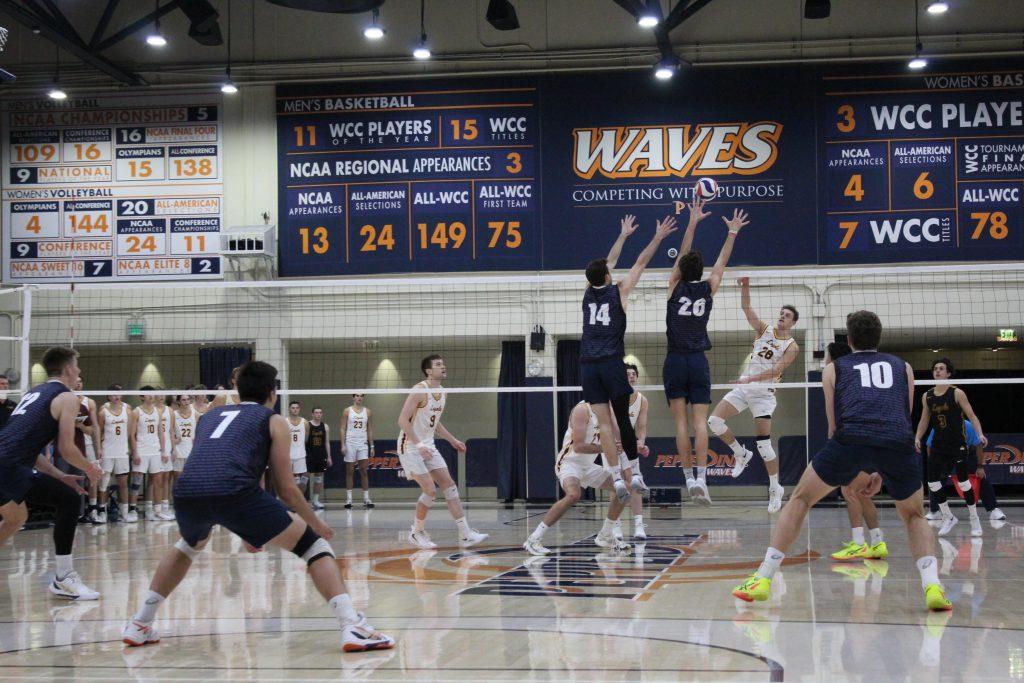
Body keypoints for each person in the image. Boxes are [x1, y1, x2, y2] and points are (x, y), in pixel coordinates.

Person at [121, 360, 393, 652]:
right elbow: (287, 489)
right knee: (316, 547)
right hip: (234, 491)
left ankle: (140, 622)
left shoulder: (210, 417)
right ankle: (352, 625)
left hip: (187, 491)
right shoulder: (273, 420)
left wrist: (251, 528)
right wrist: (315, 522)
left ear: (237, 388)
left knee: (187, 547)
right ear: (273, 392)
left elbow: (217, 469)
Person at [732, 311, 952, 612]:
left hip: (850, 440)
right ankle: (933, 586)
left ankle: (763, 579)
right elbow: (902, 417)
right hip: (898, 443)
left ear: (848, 340)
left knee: (799, 499)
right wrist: (878, 469)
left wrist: (857, 465)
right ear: (880, 337)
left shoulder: (834, 369)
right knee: (914, 515)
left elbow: (833, 427)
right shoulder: (905, 367)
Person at [580, 214, 677, 504]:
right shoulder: (618, 291)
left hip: (588, 364)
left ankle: (613, 473)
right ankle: (634, 474)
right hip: (611, 362)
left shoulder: (587, 294)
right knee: (622, 417)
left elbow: (605, 265)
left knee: (603, 423)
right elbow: (641, 263)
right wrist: (658, 236)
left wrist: (622, 236)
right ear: (608, 277)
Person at [0, 346, 103, 600]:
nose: (79, 371)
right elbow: (67, 448)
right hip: (8, 467)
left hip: (7, 464)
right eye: (77, 366)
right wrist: (91, 468)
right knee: (68, 500)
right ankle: (63, 578)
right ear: (68, 369)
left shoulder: (33, 393)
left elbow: (30, 448)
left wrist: (60, 475)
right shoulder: (68, 397)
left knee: (16, 518)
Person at [664, 199, 749, 504]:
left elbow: (684, 254)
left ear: (681, 269)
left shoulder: (674, 285)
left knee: (681, 424)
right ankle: (702, 478)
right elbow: (721, 264)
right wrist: (732, 233)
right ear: (701, 271)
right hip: (698, 361)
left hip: (675, 360)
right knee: (700, 423)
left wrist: (692, 221)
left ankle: (688, 480)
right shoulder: (708, 288)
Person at [714, 277, 799, 513]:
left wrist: (750, 378)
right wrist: (745, 285)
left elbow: (776, 370)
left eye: (787, 316)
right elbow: (746, 308)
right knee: (714, 421)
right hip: (744, 388)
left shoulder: (792, 345)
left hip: (763, 394)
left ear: (793, 323)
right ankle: (741, 453)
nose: (782, 317)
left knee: (764, 444)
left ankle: (775, 488)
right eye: (781, 313)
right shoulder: (764, 329)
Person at [398, 354, 486, 549]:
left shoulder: (444, 392)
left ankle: (465, 534)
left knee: (449, 485)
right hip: (410, 446)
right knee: (430, 490)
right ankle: (416, 532)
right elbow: (402, 420)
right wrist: (419, 445)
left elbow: (435, 423)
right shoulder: (419, 390)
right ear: (428, 371)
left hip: (428, 445)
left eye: (443, 364)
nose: (443, 366)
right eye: (438, 365)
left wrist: (452, 440)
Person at [524, 400, 631, 555]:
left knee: (624, 489)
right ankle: (534, 539)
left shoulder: (609, 413)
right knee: (574, 495)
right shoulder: (582, 409)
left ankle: (605, 535)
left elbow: (618, 443)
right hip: (569, 462)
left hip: (588, 466)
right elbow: (579, 447)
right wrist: (607, 447)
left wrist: (632, 448)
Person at [825, 341, 888, 562]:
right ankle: (877, 542)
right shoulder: (858, 375)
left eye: (826, 356)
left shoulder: (835, 374)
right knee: (859, 493)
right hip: (874, 438)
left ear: (832, 358)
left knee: (850, 491)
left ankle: (859, 543)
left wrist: (833, 439)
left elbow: (833, 414)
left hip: (854, 439)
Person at [915, 358, 987, 537]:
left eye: (941, 369)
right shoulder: (928, 396)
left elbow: (971, 414)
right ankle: (948, 517)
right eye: (935, 369)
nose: (938, 371)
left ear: (948, 373)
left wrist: (980, 434)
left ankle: (974, 518)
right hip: (939, 446)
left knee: (963, 482)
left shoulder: (957, 393)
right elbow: (924, 419)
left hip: (957, 445)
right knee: (932, 482)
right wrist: (917, 437)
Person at [925, 420, 1005, 525]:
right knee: (935, 479)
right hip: (944, 455)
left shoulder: (968, 426)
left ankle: (993, 510)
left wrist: (980, 467)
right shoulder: (938, 426)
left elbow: (978, 445)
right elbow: (930, 445)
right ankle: (934, 511)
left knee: (981, 477)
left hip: (966, 453)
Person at [604, 364, 650, 541]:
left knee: (634, 483)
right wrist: (616, 443)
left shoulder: (642, 400)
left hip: (629, 445)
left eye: (633, 374)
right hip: (612, 444)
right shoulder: (612, 398)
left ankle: (639, 525)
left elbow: (642, 426)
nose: (631, 376)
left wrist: (640, 443)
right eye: (627, 374)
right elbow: (611, 424)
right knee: (617, 485)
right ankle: (616, 526)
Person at [130, 386, 168, 522]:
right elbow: (131, 435)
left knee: (158, 481)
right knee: (136, 482)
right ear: (141, 397)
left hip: (155, 451)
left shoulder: (157, 412)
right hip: (141, 450)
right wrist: (135, 453)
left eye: (152, 394)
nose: (151, 396)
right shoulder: (136, 412)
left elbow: (161, 433)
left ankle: (156, 511)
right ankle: (132, 510)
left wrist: (163, 451)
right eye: (148, 394)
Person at [97, 384, 132, 523]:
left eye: (118, 394)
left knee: (123, 483)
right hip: (107, 451)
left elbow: (129, 431)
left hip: (122, 452)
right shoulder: (103, 411)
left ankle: (124, 514)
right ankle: (102, 512)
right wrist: (99, 448)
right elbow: (98, 432)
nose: (116, 397)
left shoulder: (127, 409)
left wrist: (127, 445)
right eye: (113, 394)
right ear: (108, 396)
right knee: (104, 483)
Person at [340, 394, 374, 509]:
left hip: (363, 444)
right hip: (350, 443)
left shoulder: (368, 412)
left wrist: (372, 445)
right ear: (353, 397)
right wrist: (343, 444)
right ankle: (349, 500)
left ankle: (366, 499)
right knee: (350, 471)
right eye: (357, 396)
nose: (359, 398)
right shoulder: (347, 411)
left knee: (364, 471)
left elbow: (370, 429)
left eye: (361, 396)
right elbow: (342, 428)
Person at [306, 406, 332, 510]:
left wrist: (329, 457)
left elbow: (327, 442)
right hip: (309, 455)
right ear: (312, 414)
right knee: (305, 478)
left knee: (318, 478)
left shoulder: (325, 426)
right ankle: (303, 501)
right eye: (316, 413)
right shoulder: (307, 425)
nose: (318, 414)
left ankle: (316, 500)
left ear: (322, 414)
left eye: (320, 413)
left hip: (320, 455)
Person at [172, 393, 197, 487]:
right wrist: (173, 440)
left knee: (190, 478)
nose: (186, 402)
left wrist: (197, 439)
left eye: (188, 399)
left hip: (191, 450)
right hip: (178, 450)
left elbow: (202, 429)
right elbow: (168, 431)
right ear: (178, 401)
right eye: (183, 400)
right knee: (177, 478)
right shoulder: (173, 414)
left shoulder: (195, 414)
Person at [287, 401, 310, 490]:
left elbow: (306, 439)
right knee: (289, 479)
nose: (295, 410)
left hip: (300, 455)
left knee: (303, 477)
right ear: (289, 409)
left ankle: (300, 499)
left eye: (297, 408)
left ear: (299, 409)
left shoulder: (305, 422)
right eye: (293, 408)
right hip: (288, 455)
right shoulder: (285, 422)